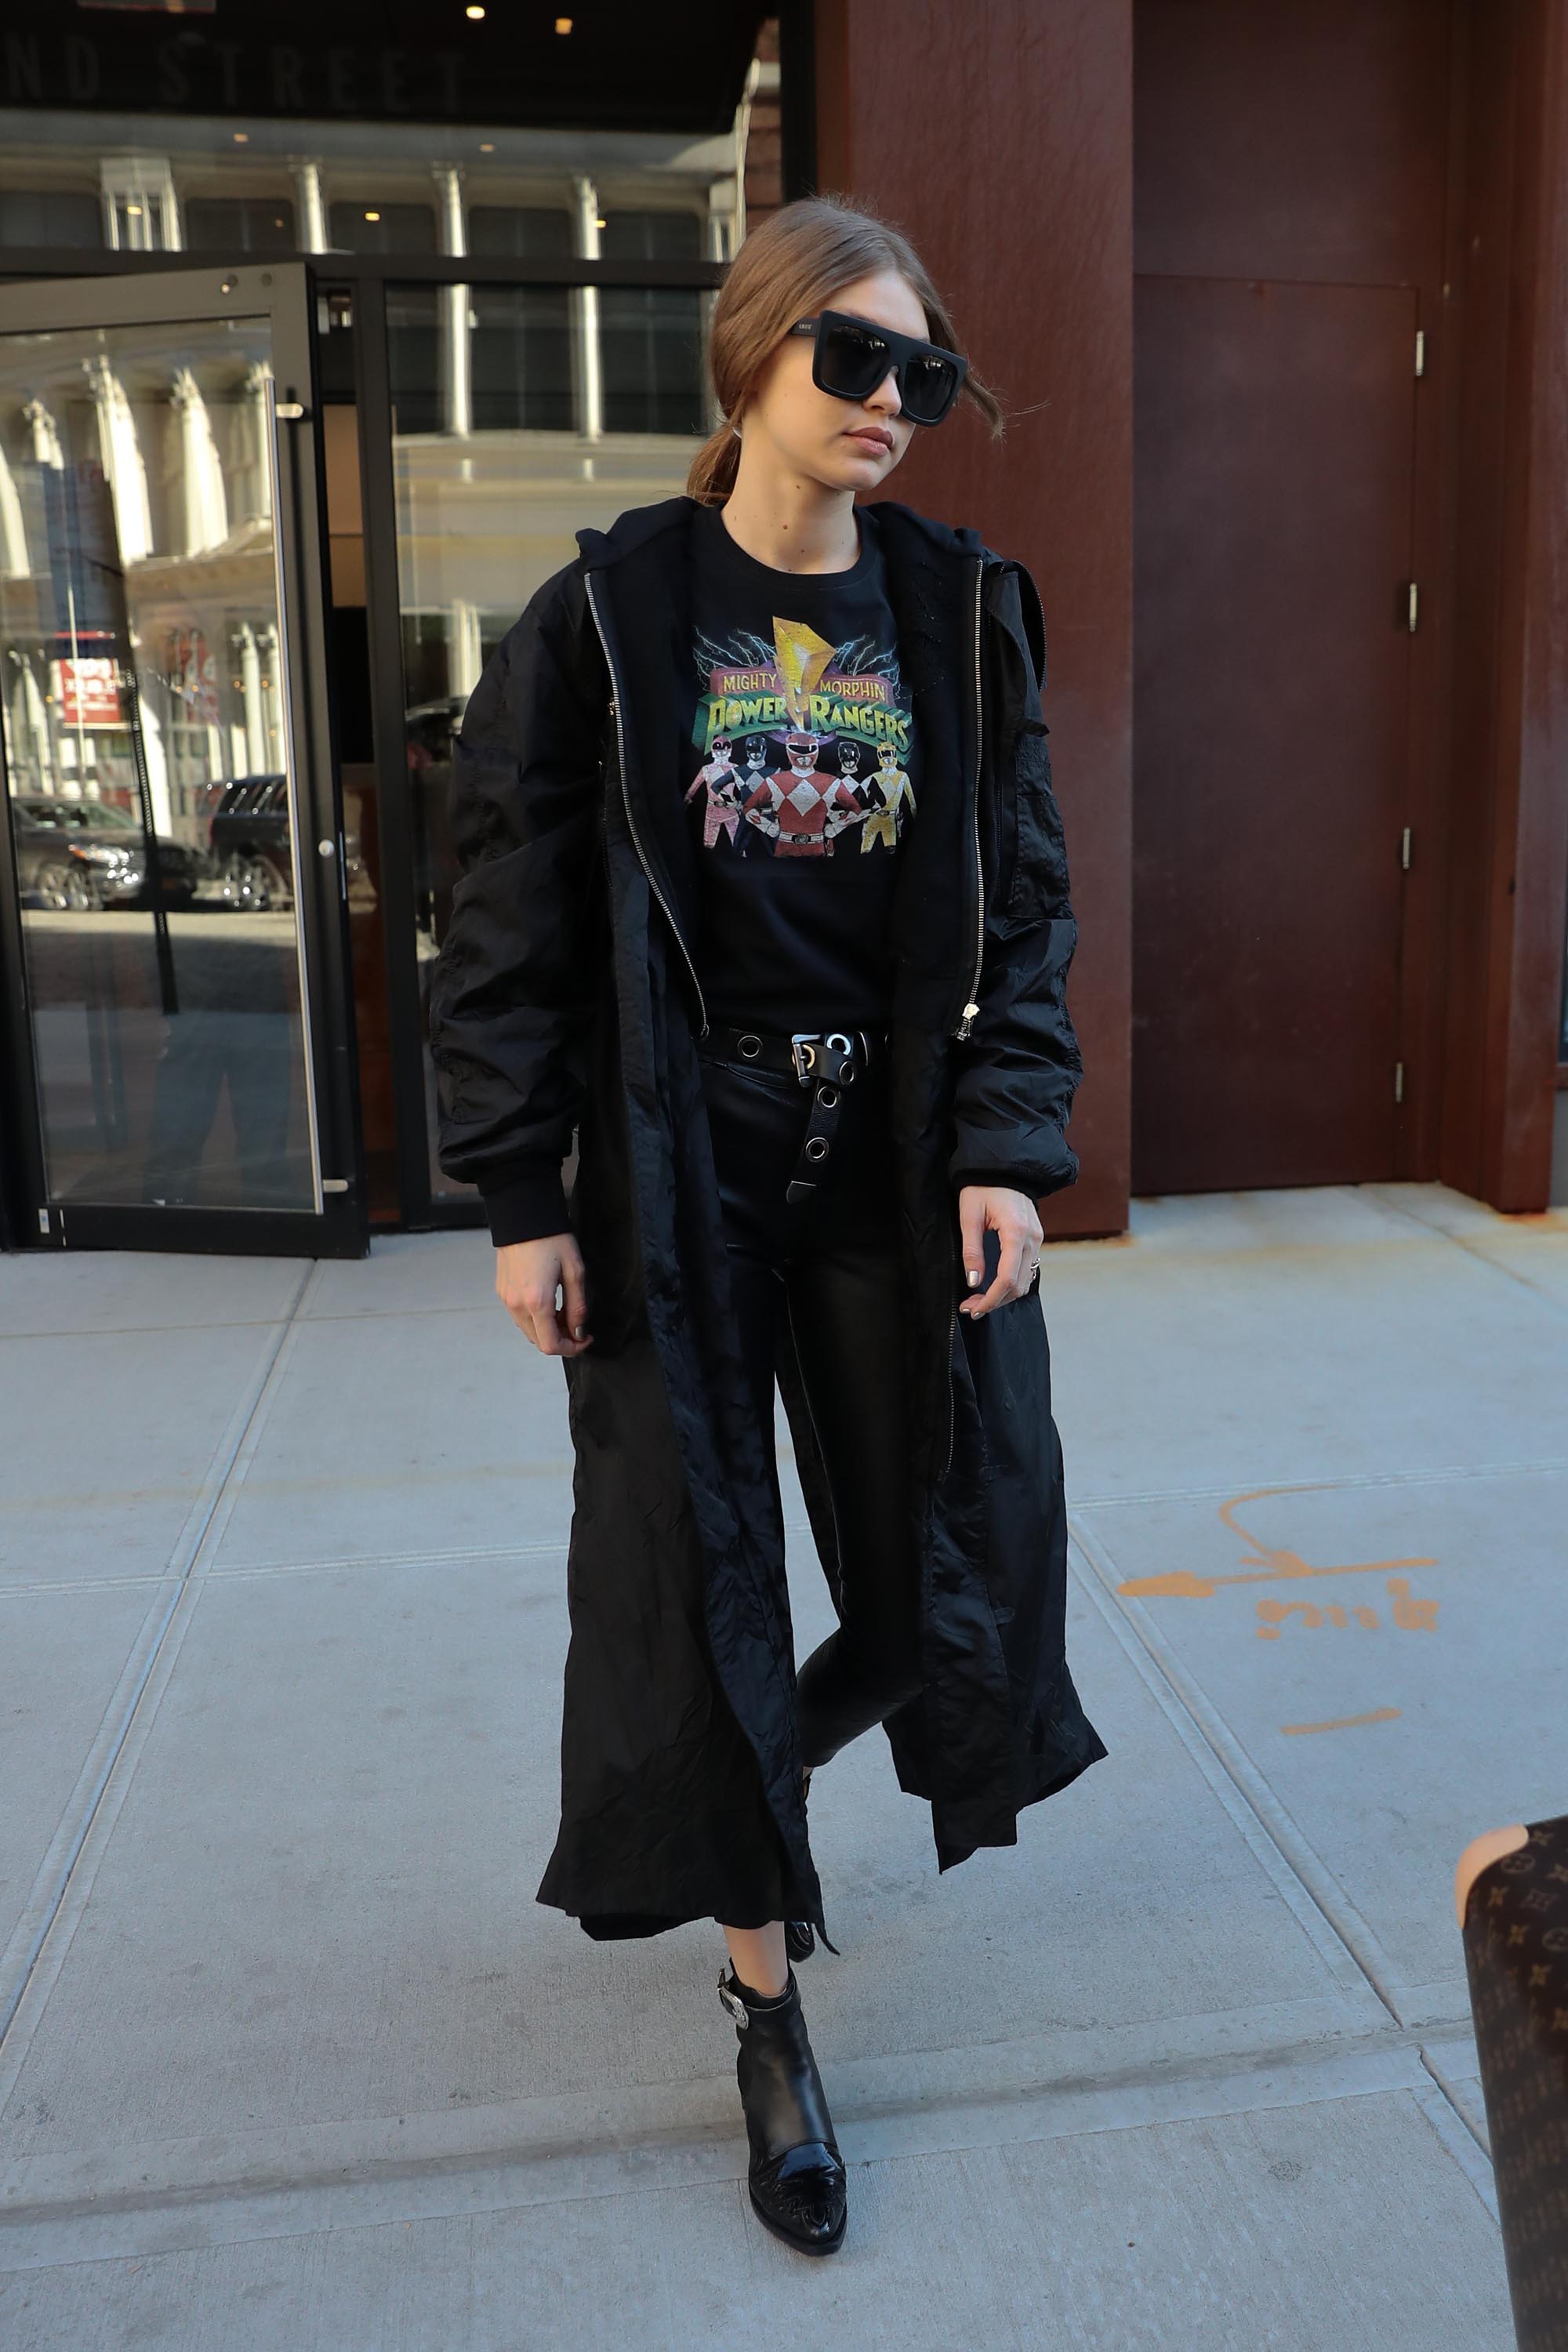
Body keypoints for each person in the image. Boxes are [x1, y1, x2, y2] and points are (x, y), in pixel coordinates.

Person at [427, 194, 1108, 2260]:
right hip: (679, 1161)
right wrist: (521, 1195)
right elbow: (508, 920)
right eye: (855, 357)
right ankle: (764, 2006)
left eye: (923, 370)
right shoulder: (608, 616)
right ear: (753, 358)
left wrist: (1005, 1145)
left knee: (948, 1573)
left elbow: (1027, 899)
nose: (893, 399)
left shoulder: (961, 609)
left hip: (890, 1156)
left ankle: (745, 1788)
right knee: (691, 1573)